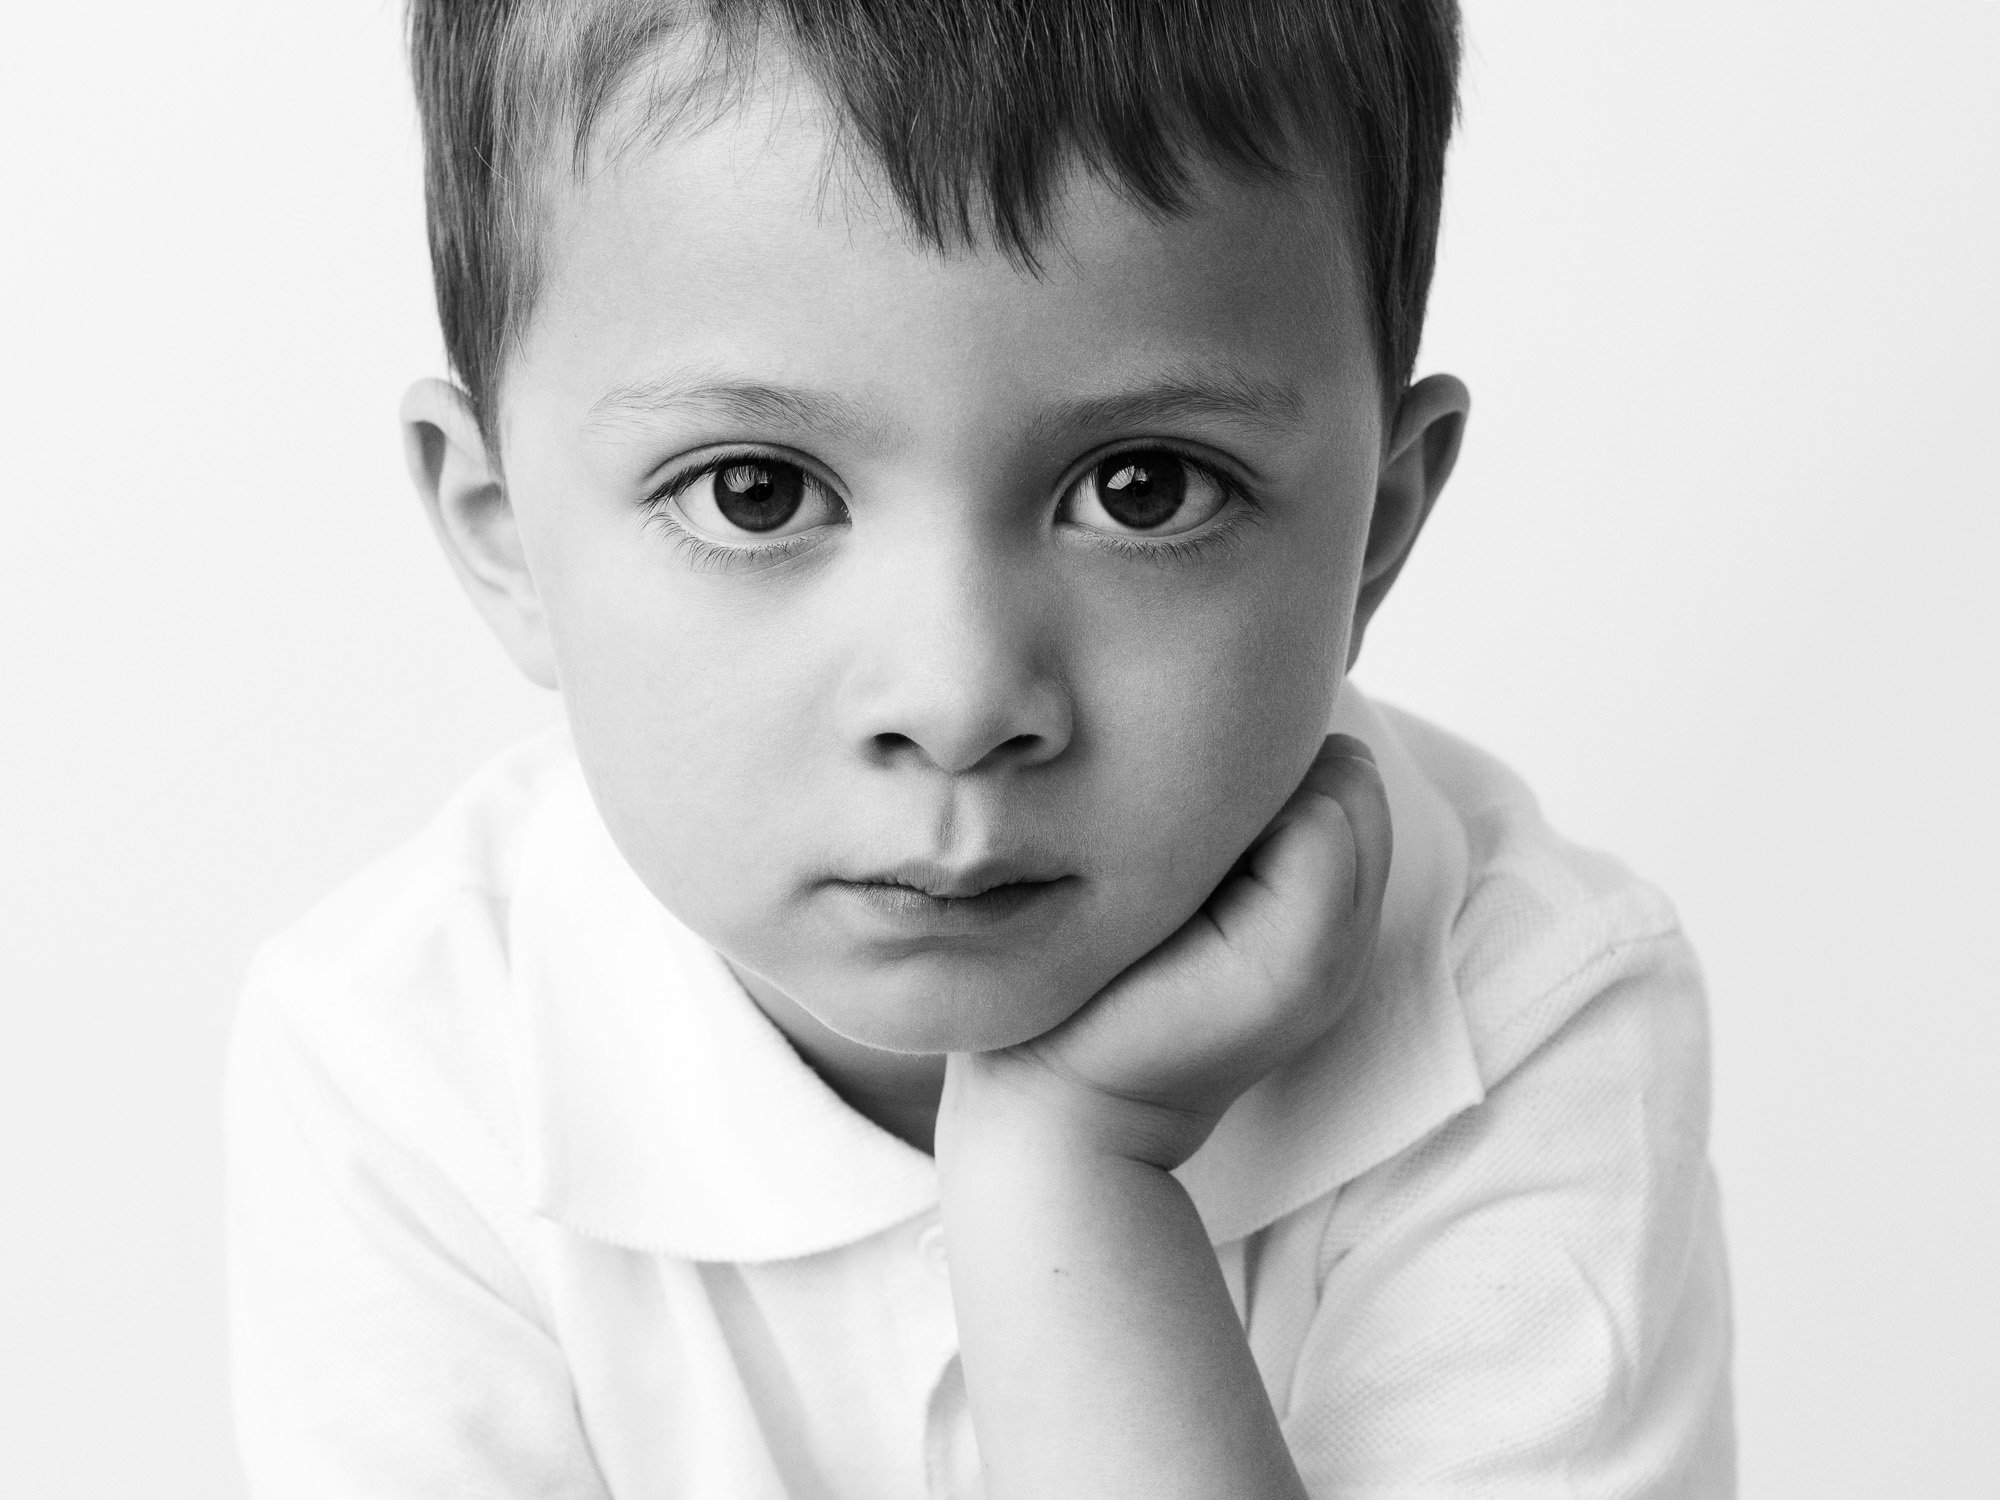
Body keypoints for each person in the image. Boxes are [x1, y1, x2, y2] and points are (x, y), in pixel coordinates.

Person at [225, 1, 1735, 1494]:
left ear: (1378, 527)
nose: (956, 698)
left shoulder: (1522, 1018)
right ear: (502, 535)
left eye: (1144, 490)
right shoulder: (402, 1075)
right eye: (755, 492)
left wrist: (1071, 1169)